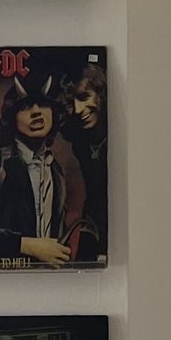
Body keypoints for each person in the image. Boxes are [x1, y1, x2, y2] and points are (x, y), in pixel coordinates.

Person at [0, 68, 85, 265]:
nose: (36, 112)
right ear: (13, 116)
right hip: (4, 281)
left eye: (44, 105)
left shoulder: (56, 170)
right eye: (26, 106)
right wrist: (27, 245)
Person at [61, 63, 108, 264]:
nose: (78, 110)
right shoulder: (79, 143)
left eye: (84, 97)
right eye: (72, 103)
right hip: (92, 223)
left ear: (102, 94)